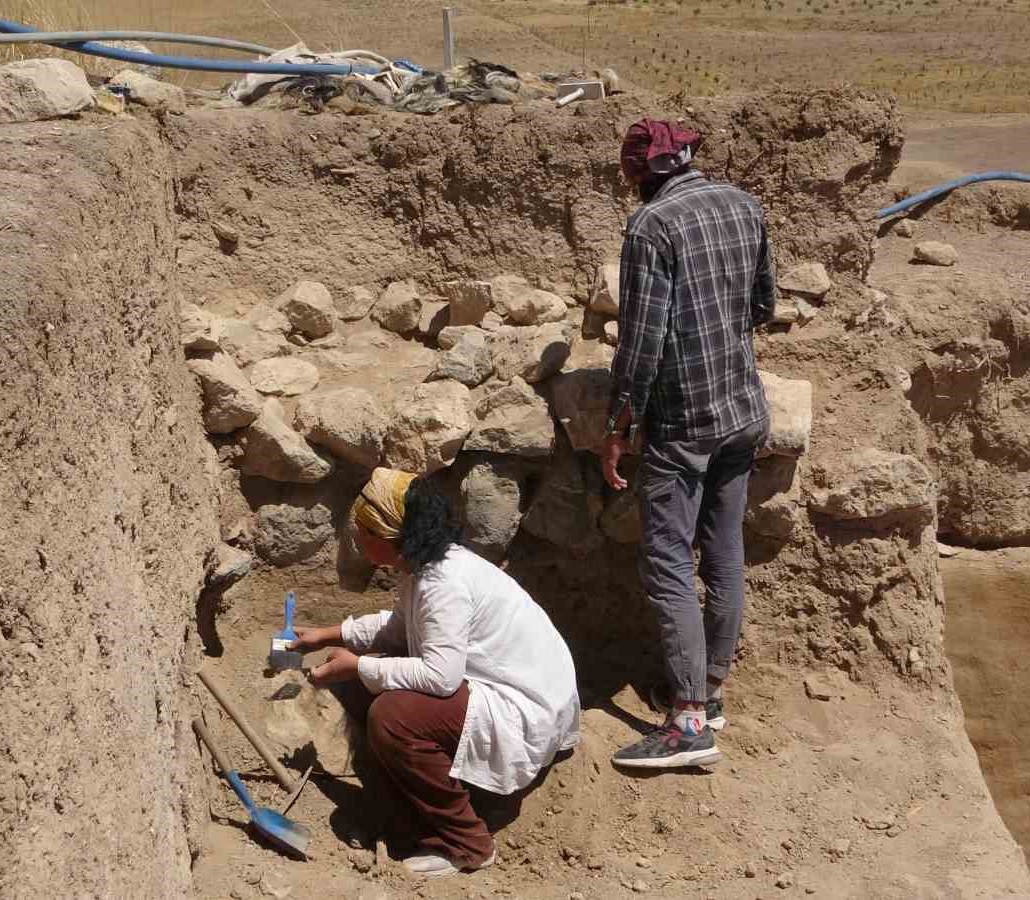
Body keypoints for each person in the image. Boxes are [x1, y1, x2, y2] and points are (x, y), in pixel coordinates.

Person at [289, 467, 581, 877]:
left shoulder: (443, 582)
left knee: (393, 717)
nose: (357, 539)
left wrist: (359, 665)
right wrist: (329, 635)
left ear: (390, 536)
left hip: (526, 705)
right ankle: (407, 806)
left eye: (365, 531)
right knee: (373, 676)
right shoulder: (425, 566)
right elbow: (399, 626)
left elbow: (441, 677)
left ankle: (469, 843)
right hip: (520, 685)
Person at [600, 118, 775, 770]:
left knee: (669, 563)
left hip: (685, 425)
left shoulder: (653, 228)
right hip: (744, 410)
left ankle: (688, 723)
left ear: (642, 174)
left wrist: (618, 428)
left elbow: (640, 344)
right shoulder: (744, 205)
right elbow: (762, 306)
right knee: (724, 548)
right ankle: (713, 688)